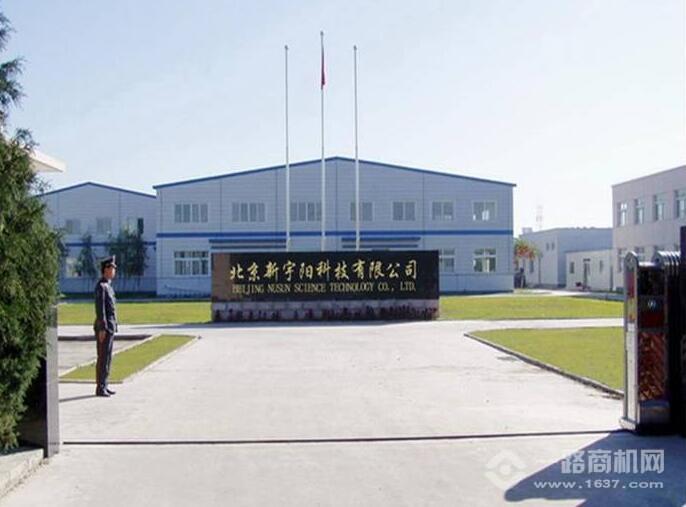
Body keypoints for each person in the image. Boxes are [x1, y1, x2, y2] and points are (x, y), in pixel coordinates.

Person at [94, 256, 118, 397]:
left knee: (107, 357)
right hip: (104, 327)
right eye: (112, 268)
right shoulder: (101, 287)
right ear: (106, 269)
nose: (114, 271)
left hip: (110, 326)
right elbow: (100, 309)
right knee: (103, 358)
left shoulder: (108, 286)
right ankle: (100, 387)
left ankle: (105, 384)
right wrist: (102, 328)